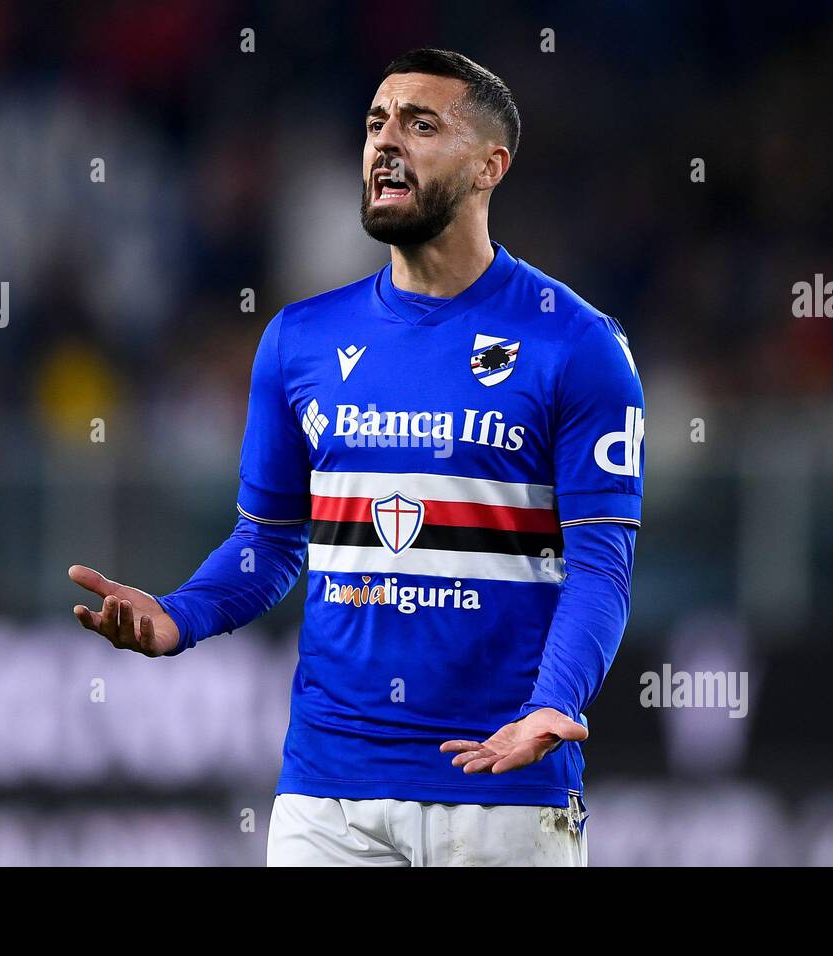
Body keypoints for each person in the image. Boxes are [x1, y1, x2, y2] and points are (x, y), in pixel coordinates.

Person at [69, 48, 644, 866]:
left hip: (502, 787)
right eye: (376, 123)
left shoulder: (578, 345)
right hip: (327, 796)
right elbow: (268, 542)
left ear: (491, 165)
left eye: (420, 124)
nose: (385, 143)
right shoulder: (297, 341)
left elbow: (600, 567)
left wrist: (556, 702)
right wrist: (180, 614)